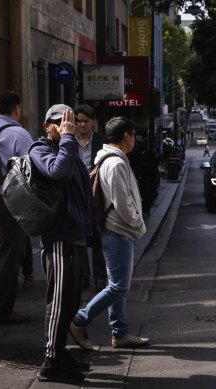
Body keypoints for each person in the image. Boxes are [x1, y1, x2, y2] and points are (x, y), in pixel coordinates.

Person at [30, 104, 97, 383]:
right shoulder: (40, 149)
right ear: (48, 125)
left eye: (70, 121)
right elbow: (58, 173)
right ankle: (50, 361)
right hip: (59, 236)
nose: (68, 125)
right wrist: (68, 138)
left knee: (71, 299)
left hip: (76, 234)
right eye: (62, 121)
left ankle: (60, 353)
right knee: (58, 301)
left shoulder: (65, 148)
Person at [70, 116, 149, 350]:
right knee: (118, 287)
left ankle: (120, 332)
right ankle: (79, 320)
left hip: (117, 230)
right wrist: (138, 224)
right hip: (118, 230)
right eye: (134, 135)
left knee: (117, 285)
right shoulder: (115, 164)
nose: (135, 140)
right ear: (126, 136)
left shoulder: (114, 160)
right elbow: (122, 203)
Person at [0, 91, 33, 325]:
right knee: (11, 254)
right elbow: (32, 168)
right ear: (17, 108)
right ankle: (3, 310)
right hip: (9, 199)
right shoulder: (19, 134)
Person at [73, 104, 108, 291]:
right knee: (79, 238)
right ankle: (83, 276)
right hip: (76, 194)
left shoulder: (103, 142)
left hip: (97, 195)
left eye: (86, 121)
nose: (82, 125)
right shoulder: (69, 142)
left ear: (93, 122)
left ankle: (100, 276)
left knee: (97, 237)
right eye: (78, 121)